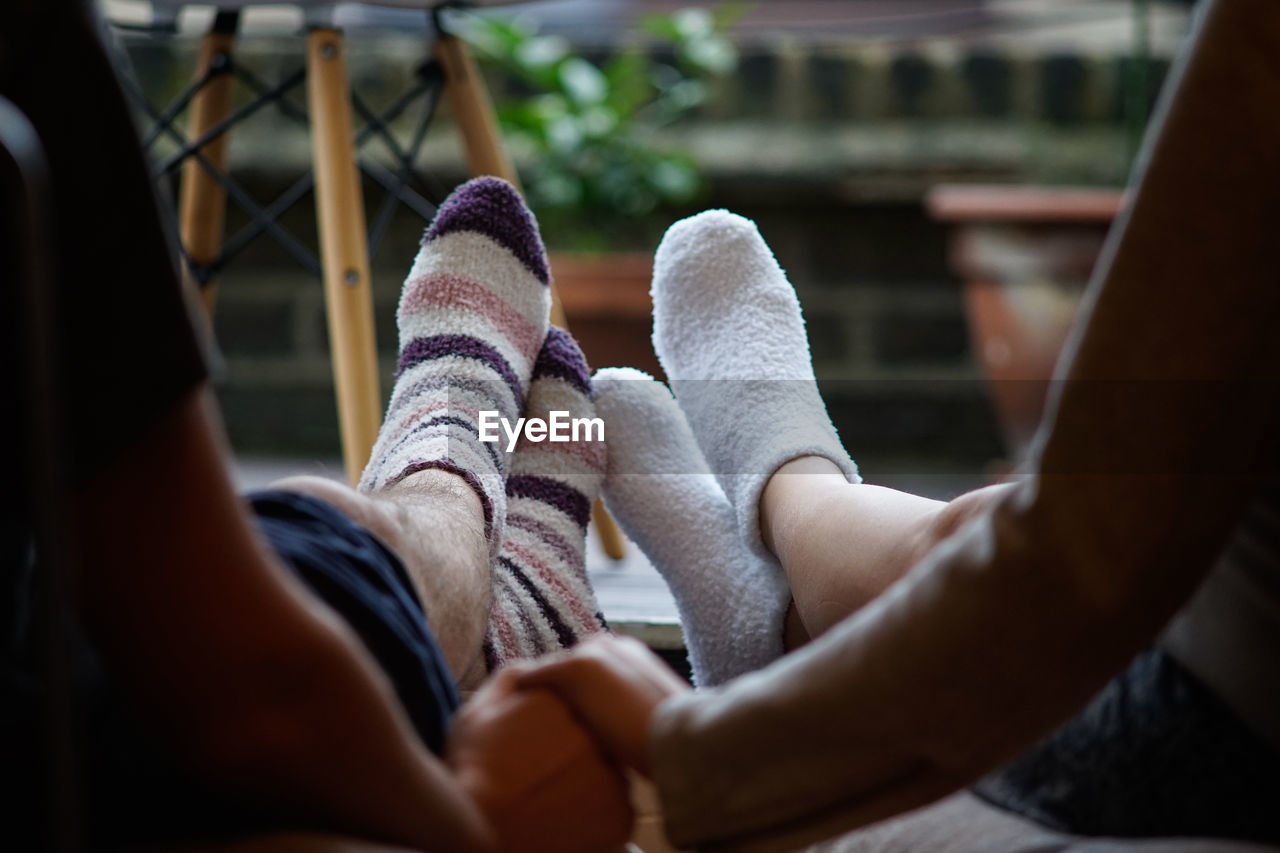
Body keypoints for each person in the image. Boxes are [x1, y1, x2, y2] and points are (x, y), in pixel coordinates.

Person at [515, 0, 1280, 849]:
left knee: (1023, 540)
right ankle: (783, 540)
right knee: (1002, 522)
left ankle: (783, 512)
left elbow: (1081, 563)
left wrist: (704, 765)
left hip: (1190, 735)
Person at [2, 2, 628, 849]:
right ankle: (453, 478)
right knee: (313, 543)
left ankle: (497, 605)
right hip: (82, 740)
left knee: (282, 524)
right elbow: (248, 691)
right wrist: (475, 833)